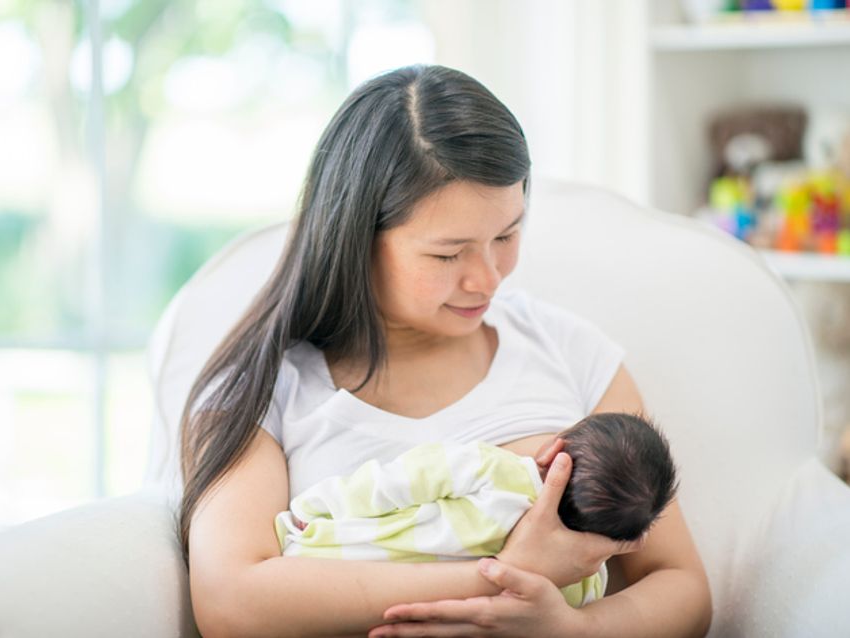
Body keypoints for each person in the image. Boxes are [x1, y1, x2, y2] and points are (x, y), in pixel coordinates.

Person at [178, 64, 711, 637]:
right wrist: (511, 577)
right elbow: (231, 603)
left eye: (506, 235)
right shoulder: (265, 387)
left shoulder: (567, 350)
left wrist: (569, 630)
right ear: (355, 239)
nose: (488, 279)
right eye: (448, 254)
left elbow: (680, 586)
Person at [274, 412, 678, 609]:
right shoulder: (585, 578)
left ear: (553, 450)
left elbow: (393, 482)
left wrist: (321, 508)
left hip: (327, 556)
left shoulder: (490, 469)